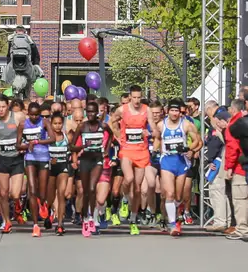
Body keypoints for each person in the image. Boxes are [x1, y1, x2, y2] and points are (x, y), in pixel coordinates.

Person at [109, 85, 160, 235]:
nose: (137, 100)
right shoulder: (122, 110)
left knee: (137, 188)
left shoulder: (146, 109)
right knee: (128, 178)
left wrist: (149, 133)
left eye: (139, 97)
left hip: (142, 151)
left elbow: (155, 130)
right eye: (134, 97)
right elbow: (111, 122)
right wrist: (119, 136)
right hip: (127, 150)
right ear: (130, 97)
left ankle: (133, 219)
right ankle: (125, 199)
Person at [154, 100, 201, 236]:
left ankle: (177, 213)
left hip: (181, 162)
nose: (175, 113)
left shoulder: (186, 124)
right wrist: (156, 150)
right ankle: (173, 224)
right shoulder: (161, 125)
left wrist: (189, 148)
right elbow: (157, 138)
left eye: (177, 111)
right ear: (168, 111)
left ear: (180, 112)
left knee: (179, 196)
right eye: (172, 111)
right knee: (169, 194)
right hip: (167, 161)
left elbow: (198, 140)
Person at [71, 101, 113, 237]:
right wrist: (82, 148)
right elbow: (71, 146)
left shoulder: (103, 126)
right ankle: (85, 217)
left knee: (92, 188)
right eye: (88, 112)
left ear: (97, 113)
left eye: (93, 112)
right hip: (85, 160)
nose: (90, 114)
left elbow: (111, 136)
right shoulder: (82, 127)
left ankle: (93, 219)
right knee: (85, 191)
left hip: (97, 160)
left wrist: (106, 150)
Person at [17, 102, 56, 237]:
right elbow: (17, 145)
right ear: (28, 113)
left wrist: (38, 142)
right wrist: (27, 145)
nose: (34, 117)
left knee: (42, 193)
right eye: (32, 115)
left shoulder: (45, 122)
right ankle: (35, 225)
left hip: (43, 158)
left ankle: (44, 205)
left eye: (36, 115)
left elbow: (52, 138)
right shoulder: (23, 124)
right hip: (30, 157)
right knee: (32, 190)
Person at [0, 94, 25, 233]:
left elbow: (26, 131)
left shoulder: (18, 117)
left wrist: (23, 145)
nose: (1, 110)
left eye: (3, 107)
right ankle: (7, 221)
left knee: (15, 194)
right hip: (2, 160)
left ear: (8, 106)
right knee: (3, 193)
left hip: (16, 159)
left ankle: (15, 208)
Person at [224, 99, 248, 240]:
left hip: (240, 167)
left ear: (233, 110)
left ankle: (242, 229)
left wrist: (229, 167)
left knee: (240, 199)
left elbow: (232, 148)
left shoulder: (235, 124)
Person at [47, 112, 69, 235]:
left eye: (60, 123)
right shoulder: (47, 137)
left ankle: (60, 224)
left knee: (61, 194)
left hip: (63, 168)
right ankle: (48, 213)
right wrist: (50, 160)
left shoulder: (66, 136)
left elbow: (71, 151)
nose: (57, 126)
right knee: (50, 197)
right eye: (55, 123)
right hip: (50, 169)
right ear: (51, 124)